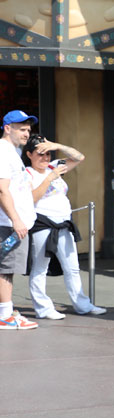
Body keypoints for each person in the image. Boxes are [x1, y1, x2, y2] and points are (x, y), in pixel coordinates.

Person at [23, 135, 105, 319]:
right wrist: (49, 178)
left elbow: (79, 157)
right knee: (40, 268)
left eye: (48, 154)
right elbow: (31, 199)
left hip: (64, 223)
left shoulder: (54, 165)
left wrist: (56, 145)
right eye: (40, 154)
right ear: (29, 154)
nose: (45, 158)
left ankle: (82, 305)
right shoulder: (27, 173)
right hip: (42, 223)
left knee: (72, 267)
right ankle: (43, 309)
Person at [0, 110, 40, 330]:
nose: (27, 133)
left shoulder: (12, 152)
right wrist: (16, 220)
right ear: (8, 128)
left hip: (14, 222)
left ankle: (6, 310)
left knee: (7, 268)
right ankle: (5, 316)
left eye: (28, 129)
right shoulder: (3, 152)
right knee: (5, 269)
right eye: (22, 129)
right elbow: (2, 190)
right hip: (7, 224)